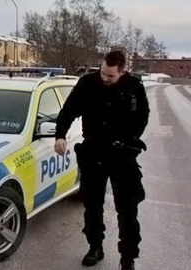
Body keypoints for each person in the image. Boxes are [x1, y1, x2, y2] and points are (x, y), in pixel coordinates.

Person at [54, 51, 149, 270]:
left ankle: (128, 257)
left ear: (123, 71)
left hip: (122, 155)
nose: (104, 78)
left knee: (127, 209)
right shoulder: (88, 83)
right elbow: (68, 110)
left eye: (110, 76)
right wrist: (60, 134)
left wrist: (127, 139)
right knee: (92, 206)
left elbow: (142, 117)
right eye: (103, 72)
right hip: (93, 152)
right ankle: (95, 247)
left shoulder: (133, 86)